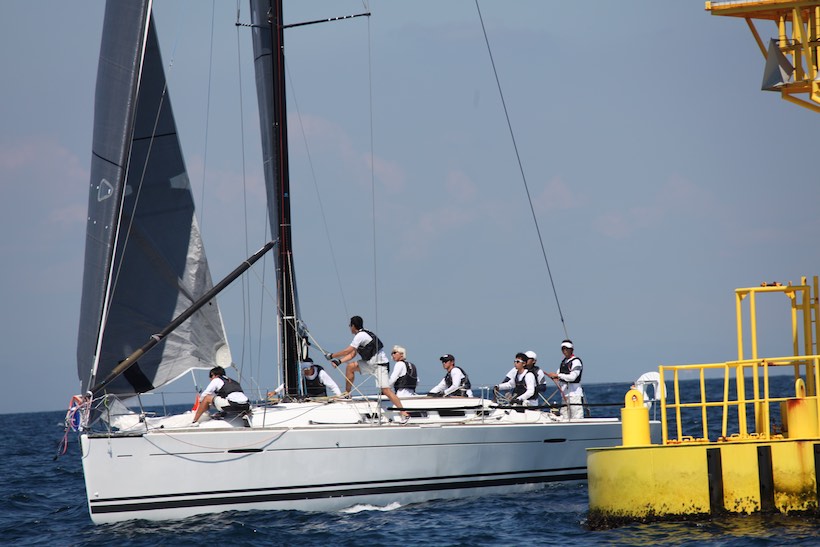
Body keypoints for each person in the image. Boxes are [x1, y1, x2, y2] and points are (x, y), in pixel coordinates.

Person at [325, 315, 409, 419]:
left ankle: (404, 412)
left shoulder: (360, 335)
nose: (349, 327)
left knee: (386, 390)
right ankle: (347, 394)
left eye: (350, 325)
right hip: (369, 364)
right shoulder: (361, 335)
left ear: (353, 326)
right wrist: (339, 361)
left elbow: (348, 351)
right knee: (350, 367)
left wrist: (332, 356)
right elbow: (352, 354)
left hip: (380, 365)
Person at [547, 339, 585, 420]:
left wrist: (558, 375)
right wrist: (556, 378)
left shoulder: (576, 361)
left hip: (574, 395)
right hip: (565, 396)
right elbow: (559, 374)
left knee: (577, 417)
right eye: (563, 349)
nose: (565, 351)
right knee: (564, 417)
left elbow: (573, 377)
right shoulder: (563, 362)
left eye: (567, 349)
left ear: (571, 349)